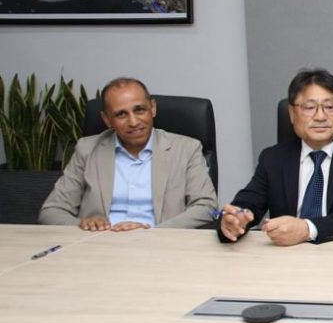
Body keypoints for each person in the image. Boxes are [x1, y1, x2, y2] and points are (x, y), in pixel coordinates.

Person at [217, 68, 333, 246]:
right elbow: (249, 202)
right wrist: (234, 220)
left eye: (330, 107)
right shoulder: (273, 158)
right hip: (285, 255)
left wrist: (308, 229)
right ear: (292, 113)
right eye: (309, 108)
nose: (320, 116)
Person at [39, 77, 217, 230]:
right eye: (121, 115)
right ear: (107, 120)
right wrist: (83, 225)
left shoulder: (186, 149)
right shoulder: (87, 149)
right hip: (100, 244)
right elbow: (51, 211)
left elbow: (206, 207)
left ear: (153, 108)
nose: (133, 122)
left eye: (139, 110)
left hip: (159, 244)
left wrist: (154, 232)